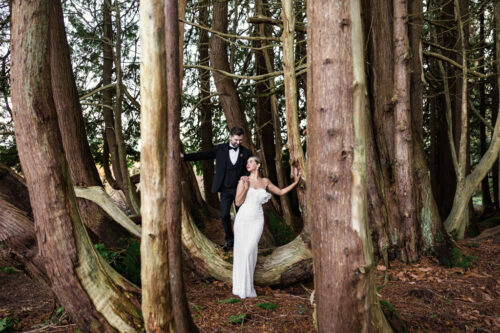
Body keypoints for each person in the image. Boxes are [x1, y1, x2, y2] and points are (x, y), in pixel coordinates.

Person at [232, 156, 301, 299]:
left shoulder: (265, 181)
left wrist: (296, 182)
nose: (248, 164)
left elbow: (281, 192)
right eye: (247, 162)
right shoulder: (243, 180)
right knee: (243, 252)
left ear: (258, 165)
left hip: (257, 219)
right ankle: (242, 288)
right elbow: (238, 203)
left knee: (251, 248)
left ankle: (247, 286)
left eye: (251, 161)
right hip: (243, 218)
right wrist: (245, 188)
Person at [181, 126, 252, 251]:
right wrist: (185, 157)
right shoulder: (221, 149)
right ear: (230, 137)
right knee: (224, 215)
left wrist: (245, 177)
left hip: (240, 189)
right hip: (225, 189)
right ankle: (229, 240)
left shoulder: (246, 153)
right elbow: (204, 155)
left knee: (242, 217)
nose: (238, 142)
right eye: (236, 140)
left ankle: (242, 241)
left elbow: (249, 169)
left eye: (240, 140)